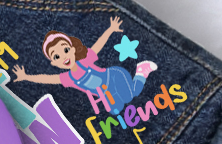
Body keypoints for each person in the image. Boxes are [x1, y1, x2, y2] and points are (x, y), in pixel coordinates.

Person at [12, 16, 157, 115]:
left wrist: (110, 29)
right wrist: (26, 77)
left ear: (73, 49)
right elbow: (47, 79)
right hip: (105, 94)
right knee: (115, 111)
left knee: (131, 95)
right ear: (53, 63)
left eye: (65, 50)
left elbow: (98, 46)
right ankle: (137, 77)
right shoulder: (67, 78)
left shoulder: (84, 61)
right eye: (56, 56)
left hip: (113, 77)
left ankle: (141, 71)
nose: (64, 57)